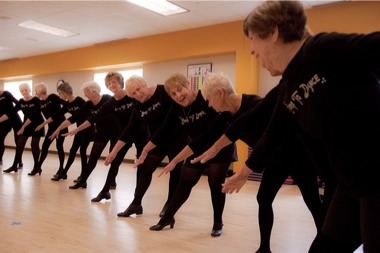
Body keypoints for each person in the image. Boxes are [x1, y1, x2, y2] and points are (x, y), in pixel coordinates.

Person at [194, 1, 380, 252]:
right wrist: (241, 174)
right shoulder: (288, 87)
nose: (251, 50)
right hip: (349, 184)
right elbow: (271, 136)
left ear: (273, 32)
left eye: (252, 39)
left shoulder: (321, 50)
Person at [182, 72, 322, 252]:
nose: (209, 104)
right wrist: (175, 161)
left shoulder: (256, 104)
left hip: (297, 157)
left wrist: (242, 172)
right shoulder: (225, 116)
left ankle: (326, 244)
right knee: (263, 198)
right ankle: (264, 248)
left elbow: (262, 132)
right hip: (274, 161)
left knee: (312, 201)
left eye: (209, 99)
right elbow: (206, 137)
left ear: (220, 93)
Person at [135, 73, 236, 237]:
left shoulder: (205, 99)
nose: (178, 96)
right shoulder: (177, 108)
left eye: (179, 90)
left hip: (220, 148)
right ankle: (167, 218)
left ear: (189, 85)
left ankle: (218, 222)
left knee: (215, 184)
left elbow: (214, 131)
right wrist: (145, 150)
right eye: (173, 94)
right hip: (196, 148)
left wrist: (175, 160)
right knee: (185, 182)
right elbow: (162, 131)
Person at [104, 75, 187, 218]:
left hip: (177, 138)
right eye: (133, 94)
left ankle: (169, 205)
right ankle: (136, 204)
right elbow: (129, 130)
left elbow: (174, 116)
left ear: (144, 84)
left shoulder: (163, 91)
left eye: (138, 89)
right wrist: (114, 152)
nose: (138, 94)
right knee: (146, 168)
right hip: (157, 141)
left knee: (175, 171)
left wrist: (146, 148)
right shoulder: (138, 107)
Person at [64, 72, 149, 202]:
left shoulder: (132, 97)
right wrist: (76, 129)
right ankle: (105, 191)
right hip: (124, 136)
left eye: (114, 82)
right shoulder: (111, 103)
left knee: (141, 164)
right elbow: (93, 118)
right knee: (115, 162)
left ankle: (137, 197)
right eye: (109, 83)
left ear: (121, 82)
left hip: (141, 134)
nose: (111, 85)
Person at [50, 81, 112, 189]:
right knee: (89, 156)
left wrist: (77, 129)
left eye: (86, 92)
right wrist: (58, 129)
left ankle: (111, 182)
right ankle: (82, 180)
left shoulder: (107, 99)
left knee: (113, 158)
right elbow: (74, 118)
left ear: (93, 91)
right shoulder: (88, 104)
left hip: (111, 131)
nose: (85, 95)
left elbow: (90, 119)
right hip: (97, 131)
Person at [49, 80, 93, 181]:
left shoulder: (80, 101)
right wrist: (44, 123)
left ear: (64, 92)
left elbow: (88, 115)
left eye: (60, 93)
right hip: (79, 130)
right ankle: (64, 173)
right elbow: (56, 115)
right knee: (73, 150)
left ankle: (83, 176)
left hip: (88, 129)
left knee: (82, 151)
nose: (60, 95)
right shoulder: (67, 104)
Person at [20, 82, 68, 176]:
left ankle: (61, 170)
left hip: (61, 126)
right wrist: (23, 127)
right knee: (45, 147)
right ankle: (37, 168)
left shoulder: (53, 97)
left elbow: (66, 104)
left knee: (59, 147)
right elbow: (32, 116)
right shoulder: (40, 103)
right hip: (51, 128)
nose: (35, 93)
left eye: (35, 91)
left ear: (40, 91)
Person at [2, 83, 44, 174]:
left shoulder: (36, 100)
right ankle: (14, 166)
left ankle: (37, 167)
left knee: (34, 145)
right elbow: (11, 113)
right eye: (22, 91)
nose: (24, 92)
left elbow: (33, 116)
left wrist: (22, 127)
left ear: (29, 90)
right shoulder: (20, 102)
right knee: (20, 144)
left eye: (25, 90)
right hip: (27, 125)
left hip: (37, 125)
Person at [0, 90, 23, 168]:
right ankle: (0, 159)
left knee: (17, 141)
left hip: (14, 118)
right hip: (4, 120)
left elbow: (17, 102)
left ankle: (19, 161)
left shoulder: (6, 93)